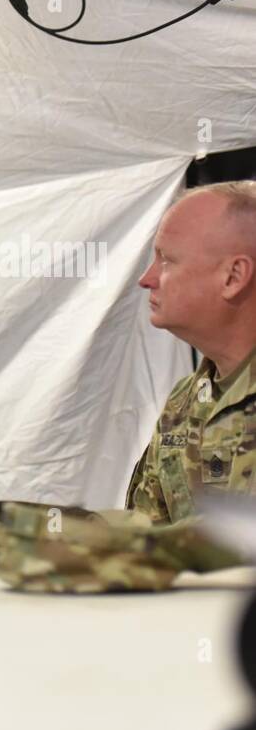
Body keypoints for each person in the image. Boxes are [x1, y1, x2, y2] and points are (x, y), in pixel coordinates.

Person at [126, 181, 256, 521]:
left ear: (234, 277)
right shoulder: (185, 402)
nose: (146, 278)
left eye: (166, 260)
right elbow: (145, 538)